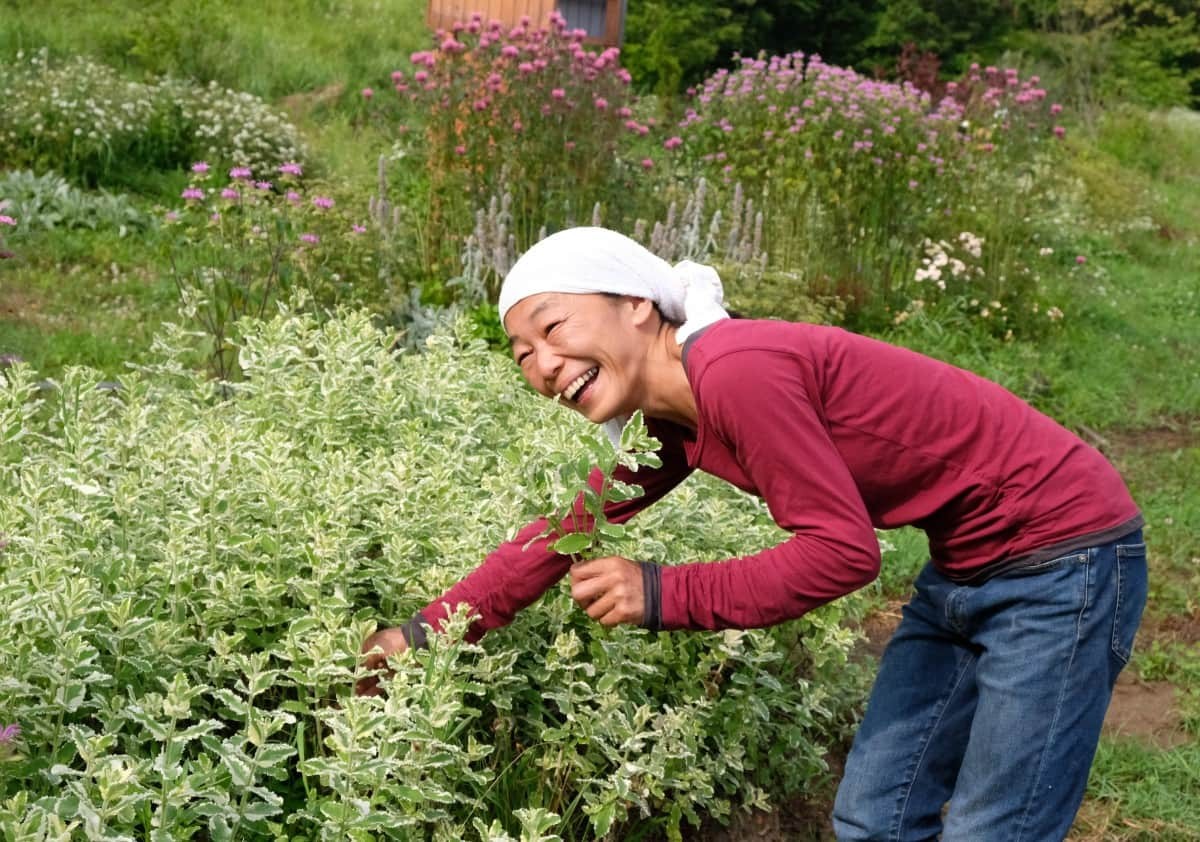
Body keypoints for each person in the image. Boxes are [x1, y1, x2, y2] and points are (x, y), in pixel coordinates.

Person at [360, 227, 1146, 841]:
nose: (541, 364)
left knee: (992, 832)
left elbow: (842, 554)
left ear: (638, 304)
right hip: (965, 565)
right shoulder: (671, 422)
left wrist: (665, 591)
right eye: (522, 354)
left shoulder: (735, 367)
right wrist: (418, 637)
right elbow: (560, 534)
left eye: (553, 326)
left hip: (1065, 563)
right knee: (876, 817)